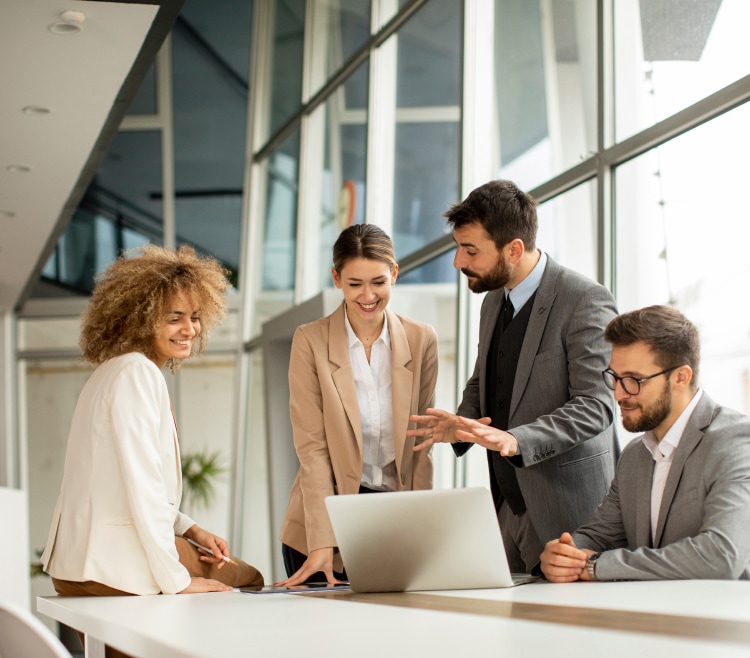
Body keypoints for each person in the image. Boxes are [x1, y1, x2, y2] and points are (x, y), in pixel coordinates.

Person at [409, 179, 618, 573]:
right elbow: (485, 377)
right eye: (458, 248)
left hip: (570, 512)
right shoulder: (492, 301)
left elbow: (597, 406)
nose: (458, 262)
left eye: (470, 250)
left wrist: (515, 439)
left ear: (514, 249)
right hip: (507, 506)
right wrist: (461, 422)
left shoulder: (584, 299)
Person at [41, 245, 264, 609]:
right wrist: (176, 580)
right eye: (174, 317)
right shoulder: (137, 373)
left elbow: (120, 483)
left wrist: (190, 529)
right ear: (140, 318)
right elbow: (143, 485)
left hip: (76, 568)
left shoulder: (111, 371)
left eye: (194, 317)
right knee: (249, 577)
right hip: (114, 567)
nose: (189, 329)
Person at [277, 224, 439, 586]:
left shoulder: (421, 339)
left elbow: (421, 443)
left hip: (392, 520)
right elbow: (312, 448)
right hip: (323, 523)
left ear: (394, 273)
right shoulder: (310, 341)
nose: (368, 295)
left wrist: (421, 530)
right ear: (336, 278)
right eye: (354, 284)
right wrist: (322, 541)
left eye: (378, 282)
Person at [540, 305, 750, 582]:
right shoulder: (634, 455)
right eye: (614, 378)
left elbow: (720, 556)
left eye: (633, 380)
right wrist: (564, 555)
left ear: (680, 377)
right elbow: (599, 535)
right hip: (650, 617)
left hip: (720, 620)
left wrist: (596, 566)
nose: (618, 394)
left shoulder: (736, 441)